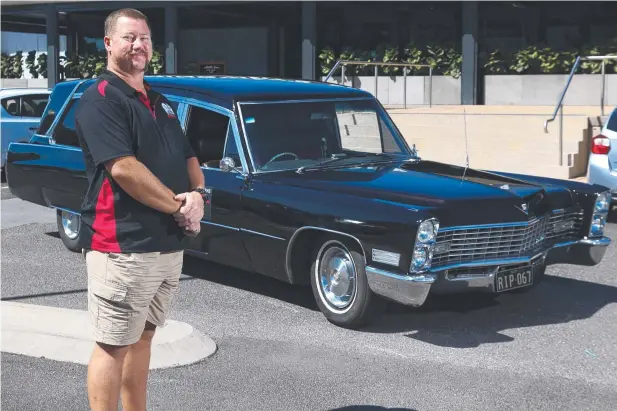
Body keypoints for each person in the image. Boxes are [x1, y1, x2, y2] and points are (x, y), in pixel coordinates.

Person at [74, 8, 205, 411]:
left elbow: (188, 157)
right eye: (129, 37)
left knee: (144, 336)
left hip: (166, 245)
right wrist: (179, 207)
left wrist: (199, 195)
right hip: (123, 247)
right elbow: (124, 169)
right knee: (112, 345)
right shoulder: (99, 100)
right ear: (109, 43)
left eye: (145, 38)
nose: (139, 45)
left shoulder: (160, 102)